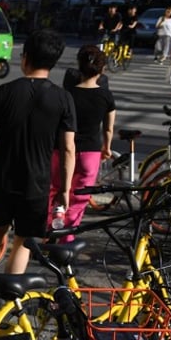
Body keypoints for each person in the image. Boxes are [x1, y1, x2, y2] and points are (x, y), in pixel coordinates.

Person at [0, 29, 77, 303]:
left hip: (3, 176)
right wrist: (65, 189)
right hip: (37, 180)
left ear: (25, 59)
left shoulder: (5, 91)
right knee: (24, 240)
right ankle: (6, 299)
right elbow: (68, 148)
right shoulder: (63, 98)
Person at [49, 45, 115, 242]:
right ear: (102, 70)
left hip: (60, 150)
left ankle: (50, 229)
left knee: (55, 190)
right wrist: (107, 147)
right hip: (90, 153)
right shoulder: (106, 96)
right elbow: (108, 128)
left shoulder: (66, 95)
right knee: (79, 199)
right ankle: (66, 239)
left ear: (79, 67)